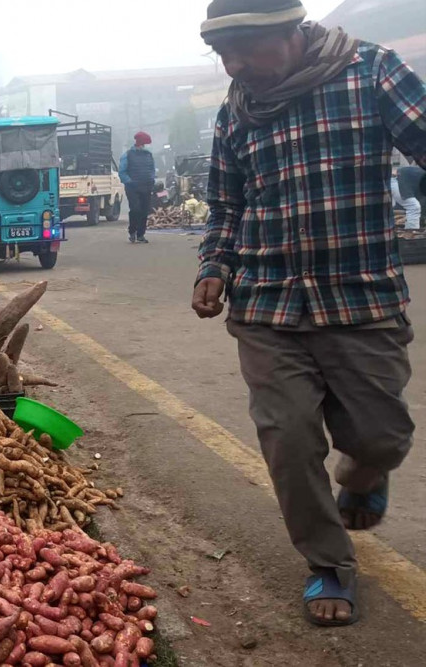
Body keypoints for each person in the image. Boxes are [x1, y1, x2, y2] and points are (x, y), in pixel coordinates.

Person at [191, 0, 426, 627]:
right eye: (222, 55)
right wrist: (214, 267)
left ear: (294, 31)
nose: (234, 65)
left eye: (246, 49)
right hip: (267, 305)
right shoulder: (236, 111)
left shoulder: (371, 72)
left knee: (382, 435)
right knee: (288, 441)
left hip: (361, 299)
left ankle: (364, 472)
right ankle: (328, 563)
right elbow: (225, 205)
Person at [120, 131, 157, 244]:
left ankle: (141, 234)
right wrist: (129, 182)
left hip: (146, 186)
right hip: (133, 188)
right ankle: (132, 231)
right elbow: (122, 171)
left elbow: (152, 169)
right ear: (138, 143)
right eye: (142, 143)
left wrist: (151, 180)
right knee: (135, 209)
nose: (143, 146)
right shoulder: (127, 155)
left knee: (144, 211)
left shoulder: (148, 154)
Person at [392, 160, 424, 231]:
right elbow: (422, 205)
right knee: (414, 207)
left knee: (411, 207)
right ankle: (411, 233)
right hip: (397, 180)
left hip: (394, 180)